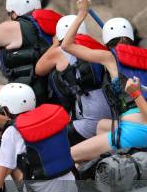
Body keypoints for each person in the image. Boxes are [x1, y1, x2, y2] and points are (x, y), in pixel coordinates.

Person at [60, 0, 147, 163]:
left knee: (67, 156)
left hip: (137, 132)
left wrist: (82, 13)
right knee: (100, 126)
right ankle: (114, 162)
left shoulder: (109, 57)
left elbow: (66, 45)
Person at [36, 15, 112, 145]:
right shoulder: (96, 49)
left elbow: (39, 69)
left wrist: (54, 44)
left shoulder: (59, 51)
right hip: (109, 116)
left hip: (88, 123)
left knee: (49, 140)